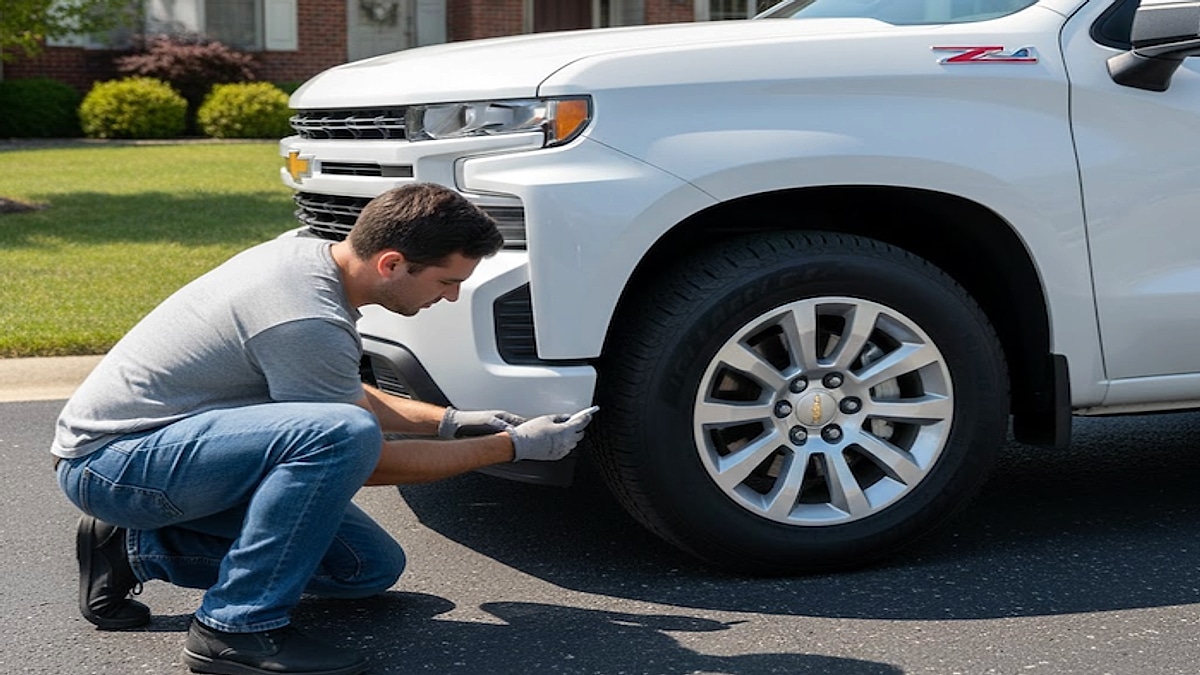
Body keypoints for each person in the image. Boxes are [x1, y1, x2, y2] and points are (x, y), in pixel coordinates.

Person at [51, 183, 594, 675]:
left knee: (367, 570)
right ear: (391, 263)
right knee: (342, 436)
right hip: (114, 464)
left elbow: (338, 394)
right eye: (447, 281)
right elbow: (363, 454)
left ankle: (136, 548)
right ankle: (233, 628)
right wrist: (510, 447)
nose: (450, 296)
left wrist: (451, 423)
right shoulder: (305, 318)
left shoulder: (312, 261)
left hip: (176, 450)